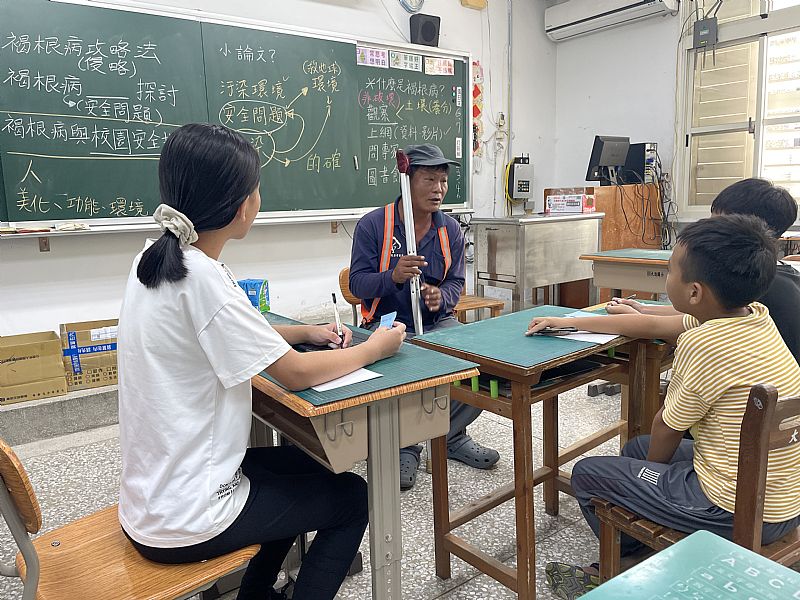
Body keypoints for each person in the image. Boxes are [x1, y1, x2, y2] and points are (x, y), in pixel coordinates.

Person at [117, 123, 406, 600]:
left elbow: (228, 331)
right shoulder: (201, 278)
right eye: (256, 187)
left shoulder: (157, 259)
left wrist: (306, 332)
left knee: (308, 466)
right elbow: (294, 372)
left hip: (155, 499)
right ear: (240, 206)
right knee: (351, 498)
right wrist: (375, 348)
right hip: (189, 518)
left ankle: (255, 594)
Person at [526, 215, 800, 598]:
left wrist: (650, 477)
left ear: (694, 293)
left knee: (588, 473)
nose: (666, 277)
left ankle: (625, 568)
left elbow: (667, 427)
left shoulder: (703, 345)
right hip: (781, 496)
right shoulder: (753, 317)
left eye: (670, 270)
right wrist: (569, 320)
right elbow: (652, 324)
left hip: (732, 507)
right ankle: (638, 540)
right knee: (636, 448)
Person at [349, 143, 499, 490]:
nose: (438, 189)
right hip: (387, 323)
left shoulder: (450, 230)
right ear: (408, 180)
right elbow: (357, 283)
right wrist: (392, 277)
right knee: (413, 365)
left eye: (443, 181)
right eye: (429, 179)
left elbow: (456, 281)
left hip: (435, 322)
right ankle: (406, 445)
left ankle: (449, 434)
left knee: (484, 365)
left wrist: (440, 297)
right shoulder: (375, 225)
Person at [607, 178, 800, 363]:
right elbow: (696, 313)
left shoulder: (752, 282)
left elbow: (679, 330)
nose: (707, 227)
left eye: (717, 223)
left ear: (747, 228)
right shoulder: (773, 274)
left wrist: (638, 317)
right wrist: (644, 308)